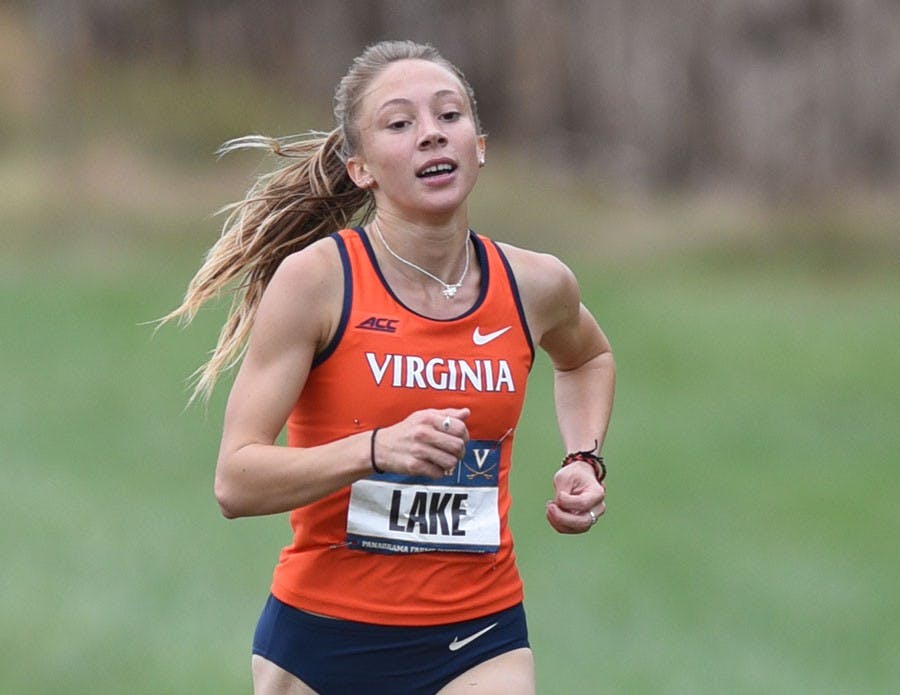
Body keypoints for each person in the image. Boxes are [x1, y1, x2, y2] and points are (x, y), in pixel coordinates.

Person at [163, 40, 614, 694]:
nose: (431, 134)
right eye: (400, 124)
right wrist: (376, 449)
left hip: (479, 636)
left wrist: (584, 457)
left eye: (449, 116)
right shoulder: (318, 282)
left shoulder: (535, 284)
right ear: (361, 169)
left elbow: (589, 356)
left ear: (479, 145)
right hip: (323, 639)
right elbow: (237, 480)